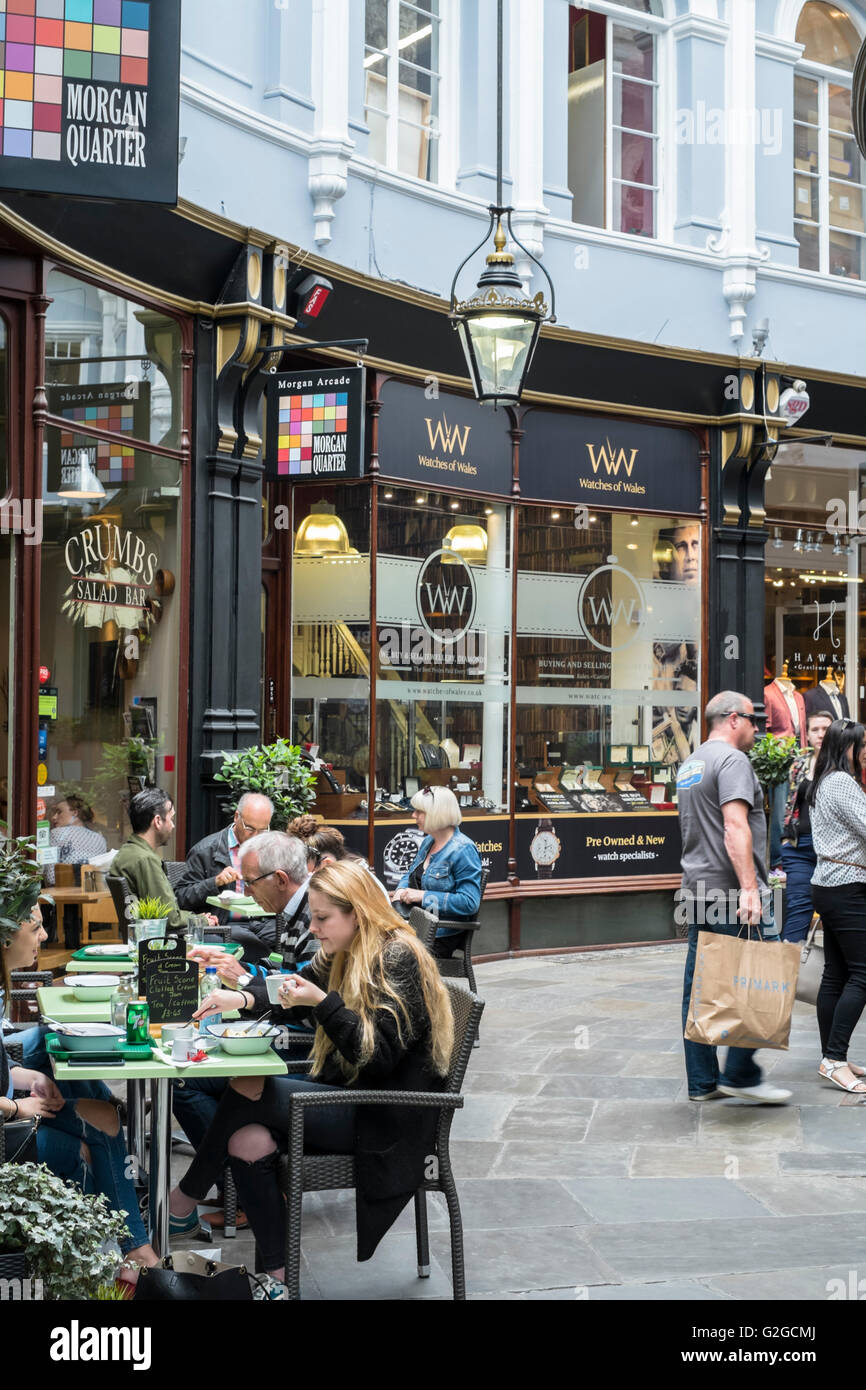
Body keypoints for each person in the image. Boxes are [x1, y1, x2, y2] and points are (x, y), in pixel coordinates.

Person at [168, 860, 455, 1295]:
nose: (315, 927)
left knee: (250, 1085)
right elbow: (294, 989)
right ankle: (279, 1278)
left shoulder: (398, 957)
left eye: (323, 918)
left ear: (356, 912)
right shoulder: (347, 947)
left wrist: (323, 1003)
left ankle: (183, 1200)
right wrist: (241, 995)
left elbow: (377, 1058)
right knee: (248, 1141)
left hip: (388, 1119)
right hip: (352, 1094)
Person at [0, 895, 158, 1283]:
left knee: (101, 1121)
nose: (45, 935)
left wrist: (30, 1078)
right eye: (35, 927)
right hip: (7, 1136)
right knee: (97, 1139)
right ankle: (136, 1252)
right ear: (5, 936)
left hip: (10, 1124)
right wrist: (16, 1108)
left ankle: (131, 1250)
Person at [172, 831, 317, 1233]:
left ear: (281, 879)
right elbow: (289, 979)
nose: (245, 890)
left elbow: (308, 997)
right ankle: (229, 1189)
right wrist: (240, 974)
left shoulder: (317, 916)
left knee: (188, 1079)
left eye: (250, 881)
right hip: (281, 1031)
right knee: (192, 1068)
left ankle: (239, 1191)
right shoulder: (295, 910)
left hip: (300, 1048)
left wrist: (244, 989)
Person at [677, 691, 792, 1105]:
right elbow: (734, 827)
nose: (757, 729)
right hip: (730, 892)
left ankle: (702, 1082)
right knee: (763, 982)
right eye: (752, 720)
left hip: (698, 889)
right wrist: (749, 889)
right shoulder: (732, 761)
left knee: (701, 986)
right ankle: (741, 1074)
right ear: (731, 719)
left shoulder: (692, 763)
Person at [808, 718, 866, 1094]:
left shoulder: (822, 781)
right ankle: (833, 1058)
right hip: (847, 888)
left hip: (828, 885)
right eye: (862, 744)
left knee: (836, 973)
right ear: (848, 747)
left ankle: (833, 1056)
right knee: (863, 973)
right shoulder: (842, 783)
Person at [390, 785, 482, 958]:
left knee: (388, 955)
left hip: (441, 934)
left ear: (437, 813)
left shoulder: (463, 849)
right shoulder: (429, 842)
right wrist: (400, 890)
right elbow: (410, 875)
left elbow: (469, 903)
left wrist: (422, 896)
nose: (413, 815)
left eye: (419, 811)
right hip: (417, 927)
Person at [112, 788, 214, 932]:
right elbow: (169, 918)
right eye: (171, 818)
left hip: (141, 939)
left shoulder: (126, 853)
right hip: (158, 944)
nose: (173, 825)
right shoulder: (145, 860)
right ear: (158, 821)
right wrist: (201, 919)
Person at [174, 793, 274, 918]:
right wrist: (214, 882)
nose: (255, 836)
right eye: (249, 828)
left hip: (265, 922)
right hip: (226, 925)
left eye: (262, 830)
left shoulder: (271, 850)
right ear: (237, 817)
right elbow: (180, 897)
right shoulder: (205, 850)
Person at [780, 711, 831, 943]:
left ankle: (836, 973)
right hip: (800, 846)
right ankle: (788, 970)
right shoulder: (798, 764)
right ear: (807, 735)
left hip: (832, 850)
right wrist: (784, 838)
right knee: (798, 906)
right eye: (815, 730)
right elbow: (790, 803)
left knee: (834, 912)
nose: (821, 734)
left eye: (826, 729)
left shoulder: (843, 766)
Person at [43, 795, 107, 888]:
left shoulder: (56, 834)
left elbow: (51, 877)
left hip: (63, 897)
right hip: (94, 896)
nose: (54, 817)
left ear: (75, 813)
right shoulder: (100, 838)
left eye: (59, 812)